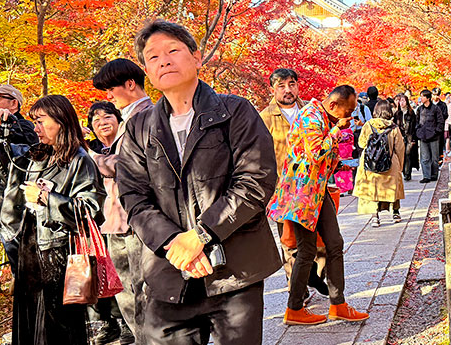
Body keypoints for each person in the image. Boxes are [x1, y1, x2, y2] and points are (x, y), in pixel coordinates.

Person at [117, 20, 280, 345]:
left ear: (196, 57)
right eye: (153, 57)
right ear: (147, 72)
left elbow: (255, 180)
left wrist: (201, 235)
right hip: (168, 276)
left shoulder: (235, 112)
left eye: (173, 51)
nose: (163, 60)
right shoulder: (139, 128)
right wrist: (175, 244)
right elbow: (134, 197)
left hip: (234, 274)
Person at [1, 95, 105, 345]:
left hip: (59, 252)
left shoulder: (80, 160)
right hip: (30, 247)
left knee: (59, 325)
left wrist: (48, 198)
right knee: (30, 320)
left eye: (40, 121)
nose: (35, 127)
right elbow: (5, 166)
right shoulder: (41, 155)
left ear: (60, 121)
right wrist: (4, 129)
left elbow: (90, 210)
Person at [267, 85, 369, 325]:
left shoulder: (323, 116)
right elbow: (315, 153)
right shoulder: (311, 116)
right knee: (307, 251)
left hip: (317, 192)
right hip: (301, 194)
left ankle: (338, 304)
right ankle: (294, 309)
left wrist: (344, 164)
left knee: (335, 244)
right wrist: (335, 132)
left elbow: (323, 159)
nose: (350, 115)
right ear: (333, 105)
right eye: (349, 110)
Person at [91, 58, 154, 345]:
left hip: (139, 220)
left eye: (110, 88)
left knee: (142, 290)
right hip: (117, 221)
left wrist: (93, 159)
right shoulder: (131, 117)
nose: (108, 96)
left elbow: (132, 165)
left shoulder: (148, 116)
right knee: (127, 291)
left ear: (130, 84)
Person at [258, 68, 329, 304]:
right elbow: (257, 157)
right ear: (272, 89)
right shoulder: (264, 118)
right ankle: (296, 289)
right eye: (281, 86)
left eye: (291, 84)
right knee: (289, 243)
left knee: (320, 243)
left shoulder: (311, 110)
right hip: (284, 190)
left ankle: (314, 278)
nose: (288, 90)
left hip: (313, 187)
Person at [83, 101, 131, 345]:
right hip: (102, 225)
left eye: (107, 116)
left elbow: (116, 167)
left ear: (118, 119)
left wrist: (89, 154)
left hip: (132, 223)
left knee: (135, 281)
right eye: (96, 119)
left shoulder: (128, 140)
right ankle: (120, 324)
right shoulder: (91, 149)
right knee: (113, 280)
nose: (102, 121)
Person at [0, 84, 38, 274]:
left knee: (27, 272)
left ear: (14, 103)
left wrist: (7, 126)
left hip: (19, 212)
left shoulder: (24, 127)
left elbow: (16, 161)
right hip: (2, 211)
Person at [353, 100, 404, 227]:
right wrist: (400, 166)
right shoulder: (394, 128)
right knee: (393, 188)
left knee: (373, 189)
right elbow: (400, 148)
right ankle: (396, 212)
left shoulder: (368, 125)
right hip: (390, 163)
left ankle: (375, 217)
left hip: (371, 163)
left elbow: (361, 143)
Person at [415, 89, 444, 183]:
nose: (421, 98)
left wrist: (436, 131)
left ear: (428, 98)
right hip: (423, 136)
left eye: (423, 96)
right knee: (425, 157)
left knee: (435, 158)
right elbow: (417, 121)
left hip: (434, 136)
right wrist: (418, 131)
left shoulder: (436, 109)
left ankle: (434, 174)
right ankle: (426, 176)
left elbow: (440, 121)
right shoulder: (419, 109)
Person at [392, 94, 417, 181]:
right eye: (400, 101)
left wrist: (413, 138)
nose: (401, 102)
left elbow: (414, 126)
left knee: (408, 154)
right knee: (401, 154)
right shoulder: (397, 114)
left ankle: (407, 173)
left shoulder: (411, 113)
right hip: (400, 137)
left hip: (409, 137)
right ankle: (403, 171)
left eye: (403, 100)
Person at [432, 88, 448, 162]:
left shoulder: (443, 105)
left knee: (440, 145)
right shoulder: (429, 105)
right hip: (430, 129)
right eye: (434, 95)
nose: (435, 97)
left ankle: (439, 160)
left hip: (439, 128)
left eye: (437, 95)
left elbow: (445, 115)